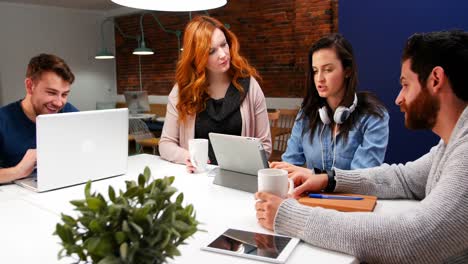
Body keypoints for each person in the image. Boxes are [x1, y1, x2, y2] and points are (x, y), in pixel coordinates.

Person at [255, 30, 468, 263]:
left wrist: (289, 216)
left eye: (405, 85)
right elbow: (404, 178)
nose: (399, 98)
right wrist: (329, 179)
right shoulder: (450, 143)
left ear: (435, 79)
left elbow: (412, 239)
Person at [159, 16, 271, 171]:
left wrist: (240, 166)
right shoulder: (182, 91)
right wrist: (188, 157)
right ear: (196, 56)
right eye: (211, 51)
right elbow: (165, 144)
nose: (223, 55)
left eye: (224, 44)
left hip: (238, 179)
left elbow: (265, 146)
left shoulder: (250, 86)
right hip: (198, 179)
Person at [271, 34, 389, 176]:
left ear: (347, 71)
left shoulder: (373, 116)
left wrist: (312, 175)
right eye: (315, 71)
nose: (319, 78)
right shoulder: (306, 114)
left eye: (327, 70)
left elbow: (360, 180)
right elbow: (289, 166)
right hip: (309, 198)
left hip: (352, 198)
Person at [0, 53, 78, 183]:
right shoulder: (3, 120)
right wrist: (18, 171)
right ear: (30, 86)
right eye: (51, 93)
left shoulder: (67, 112)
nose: (59, 103)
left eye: (64, 94)